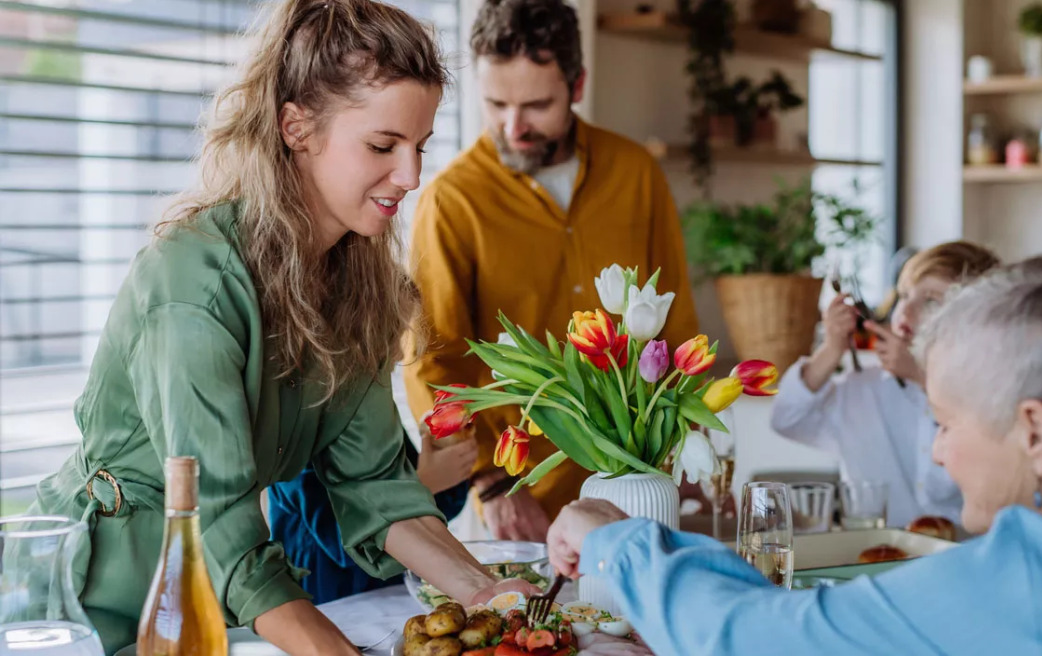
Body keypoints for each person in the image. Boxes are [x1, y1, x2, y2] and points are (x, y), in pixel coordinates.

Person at [26, 2, 534, 653]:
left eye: (419, 147)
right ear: (297, 126)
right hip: (94, 609)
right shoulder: (193, 282)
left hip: (214, 608)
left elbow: (375, 483)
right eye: (383, 146)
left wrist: (490, 596)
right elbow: (221, 522)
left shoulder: (357, 283)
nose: (410, 176)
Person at [546, 254, 1042, 655]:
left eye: (944, 422)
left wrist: (616, 539)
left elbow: (755, 640)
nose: (941, 452)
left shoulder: (1030, 580)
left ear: (1036, 433)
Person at [403, 0, 699, 542]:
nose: (513, 126)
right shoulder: (451, 201)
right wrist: (489, 484)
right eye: (495, 103)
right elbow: (433, 362)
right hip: (518, 500)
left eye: (537, 104)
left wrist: (692, 447)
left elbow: (674, 322)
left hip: (641, 482)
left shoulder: (636, 174)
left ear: (577, 85)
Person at [771, 241, 1000, 527]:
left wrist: (923, 378)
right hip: (873, 555)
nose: (906, 310)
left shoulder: (991, 400)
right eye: (904, 295)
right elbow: (786, 419)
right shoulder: (862, 388)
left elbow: (970, 483)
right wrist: (831, 350)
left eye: (930, 301)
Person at [266, 425, 474, 604]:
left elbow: (438, 509)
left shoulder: (377, 419)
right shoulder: (294, 437)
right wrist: (423, 482)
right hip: (329, 600)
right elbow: (343, 540)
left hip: (394, 588)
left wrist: (445, 459)